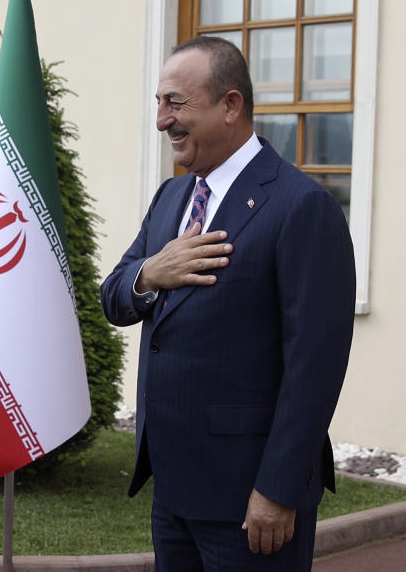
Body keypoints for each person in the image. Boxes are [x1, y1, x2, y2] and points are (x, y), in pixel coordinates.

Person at [100, 36, 355, 571]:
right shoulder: (173, 198)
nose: (161, 120)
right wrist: (152, 272)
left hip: (250, 501)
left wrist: (278, 490)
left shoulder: (302, 207)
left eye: (176, 103)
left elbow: (315, 366)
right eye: (159, 103)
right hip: (172, 490)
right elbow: (115, 297)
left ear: (230, 105)